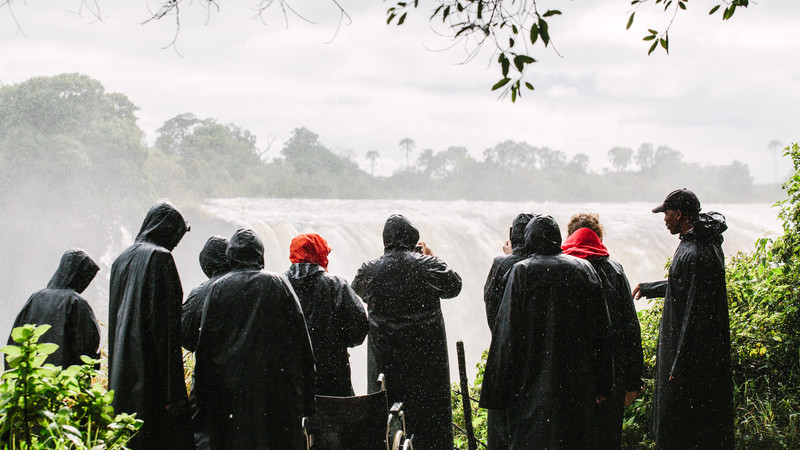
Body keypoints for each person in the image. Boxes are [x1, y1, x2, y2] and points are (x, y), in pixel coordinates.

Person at [480, 214, 612, 449]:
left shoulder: (522, 272)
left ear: (529, 239)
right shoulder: (585, 269)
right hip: (576, 379)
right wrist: (603, 382)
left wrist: (497, 391)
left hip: (532, 379)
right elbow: (601, 330)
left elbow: (506, 332)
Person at [193, 228, 316, 449]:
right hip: (275, 394)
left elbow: (204, 350)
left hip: (231, 396)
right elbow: (301, 344)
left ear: (231, 256)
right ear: (260, 254)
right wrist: (308, 402)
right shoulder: (278, 284)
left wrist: (201, 399)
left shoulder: (217, 289)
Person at [633, 189, 734, 449]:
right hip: (695, 357)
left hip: (689, 360)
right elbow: (683, 285)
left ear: (679, 215)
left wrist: (681, 364)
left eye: (666, 214)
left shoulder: (696, 251)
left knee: (681, 426)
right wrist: (650, 288)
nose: (664, 219)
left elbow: (695, 313)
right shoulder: (699, 243)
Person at [352, 214, 462, 450]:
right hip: (426, 361)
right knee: (429, 422)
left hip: (386, 361)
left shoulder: (370, 270)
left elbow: (358, 288)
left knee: (389, 423)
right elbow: (454, 285)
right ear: (412, 239)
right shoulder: (427, 266)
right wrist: (430, 257)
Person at [107, 202, 194, 450]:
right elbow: (165, 330)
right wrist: (174, 392)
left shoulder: (120, 260)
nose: (177, 242)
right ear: (165, 228)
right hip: (152, 381)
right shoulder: (160, 258)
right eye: (176, 233)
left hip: (122, 380)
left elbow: (116, 324)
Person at [562, 213, 644, 449]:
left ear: (570, 236)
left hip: (569, 374)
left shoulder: (558, 268)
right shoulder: (614, 269)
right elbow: (630, 327)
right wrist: (633, 380)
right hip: (613, 371)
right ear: (598, 237)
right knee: (607, 438)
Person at [284, 232, 368, 397]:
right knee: (337, 418)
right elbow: (359, 328)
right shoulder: (336, 285)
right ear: (319, 254)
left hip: (291, 379)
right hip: (333, 377)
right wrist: (337, 342)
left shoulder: (280, 285)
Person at [482, 212, 534, 449]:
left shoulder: (503, 264)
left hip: (506, 352)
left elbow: (490, 303)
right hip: (536, 354)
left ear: (513, 236)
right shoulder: (545, 264)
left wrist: (500, 334)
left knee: (503, 425)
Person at [6, 248, 100, 369]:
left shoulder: (36, 297)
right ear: (81, 274)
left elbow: (16, 337)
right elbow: (88, 346)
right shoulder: (76, 303)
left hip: (30, 376)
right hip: (62, 382)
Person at [181, 235, 231, 450]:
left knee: (204, 436)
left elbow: (185, 334)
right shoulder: (253, 285)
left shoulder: (200, 292)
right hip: (246, 380)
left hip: (207, 379)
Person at [182, 235, 231, 351]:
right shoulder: (256, 283)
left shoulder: (201, 293)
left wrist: (207, 348)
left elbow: (184, 332)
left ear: (206, 261)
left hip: (216, 365)